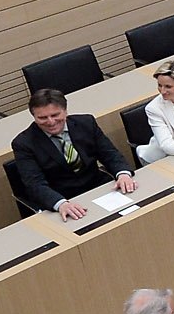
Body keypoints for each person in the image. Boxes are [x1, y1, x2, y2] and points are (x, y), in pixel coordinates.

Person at [11, 88, 133, 218]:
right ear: (34, 116)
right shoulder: (23, 143)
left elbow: (110, 154)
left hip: (98, 186)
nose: (50, 122)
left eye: (55, 115)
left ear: (65, 111)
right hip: (62, 197)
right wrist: (61, 203)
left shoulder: (86, 123)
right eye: (42, 118)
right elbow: (34, 184)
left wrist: (123, 174)